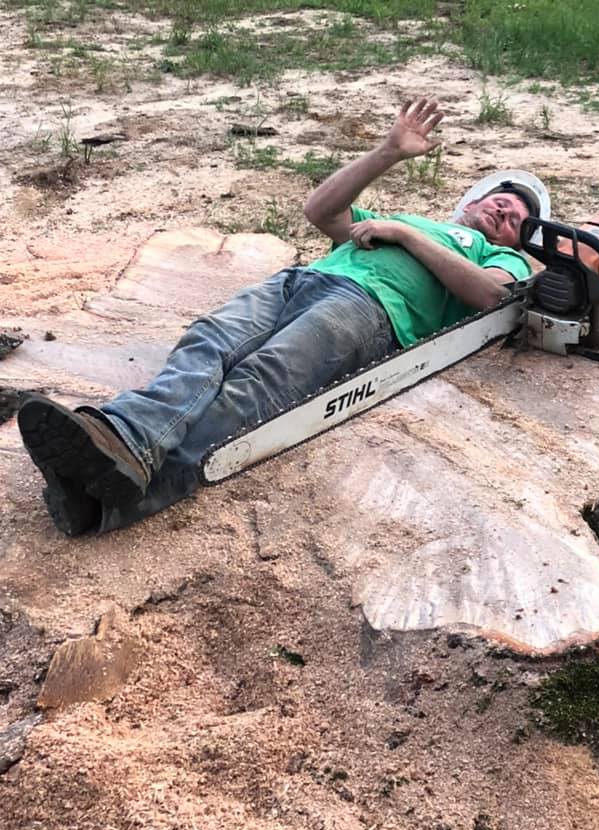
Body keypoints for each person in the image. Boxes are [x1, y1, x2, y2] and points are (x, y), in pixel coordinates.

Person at [18, 98, 538, 537]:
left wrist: (406, 237)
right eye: (501, 200)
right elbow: (322, 212)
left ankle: (116, 500)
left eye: (518, 218)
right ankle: (126, 438)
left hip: (371, 311)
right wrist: (388, 152)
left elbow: (493, 297)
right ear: (472, 200)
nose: (506, 211)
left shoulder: (495, 254)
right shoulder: (415, 218)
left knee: (259, 383)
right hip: (300, 281)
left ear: (519, 238)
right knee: (207, 342)